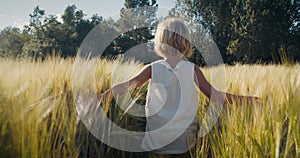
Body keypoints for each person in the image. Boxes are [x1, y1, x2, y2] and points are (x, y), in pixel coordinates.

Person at [98, 18, 261, 158]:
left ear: (159, 43)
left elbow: (127, 85)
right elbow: (215, 96)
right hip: (184, 138)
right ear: (186, 43)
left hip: (157, 137)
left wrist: (105, 95)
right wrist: (246, 100)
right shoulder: (193, 69)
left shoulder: (152, 68)